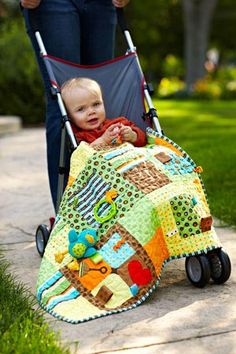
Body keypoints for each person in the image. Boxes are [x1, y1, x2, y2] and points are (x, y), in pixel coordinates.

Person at [20, 0, 130, 210]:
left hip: (101, 5)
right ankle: (68, 211)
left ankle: (107, 203)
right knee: (63, 97)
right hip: (52, 4)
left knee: (97, 94)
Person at [61, 77, 147, 147]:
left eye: (96, 104)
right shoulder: (79, 137)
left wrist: (133, 136)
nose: (91, 112)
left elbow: (144, 141)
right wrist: (103, 140)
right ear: (70, 116)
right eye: (81, 109)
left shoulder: (119, 123)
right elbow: (84, 156)